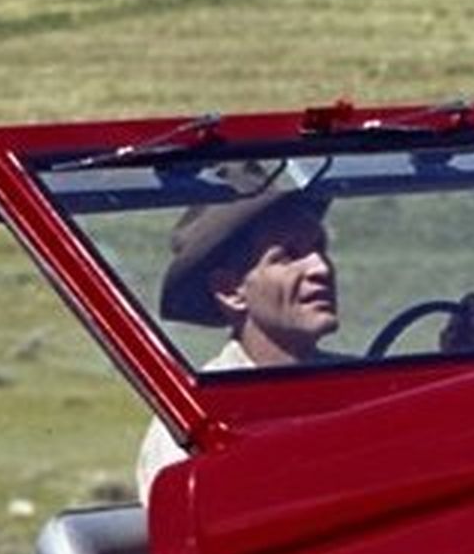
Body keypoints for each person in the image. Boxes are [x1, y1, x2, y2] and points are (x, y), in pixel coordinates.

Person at [136, 182, 338, 493]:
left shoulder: (358, 382)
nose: (320, 268)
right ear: (231, 291)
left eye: (320, 248)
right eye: (287, 256)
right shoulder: (195, 420)